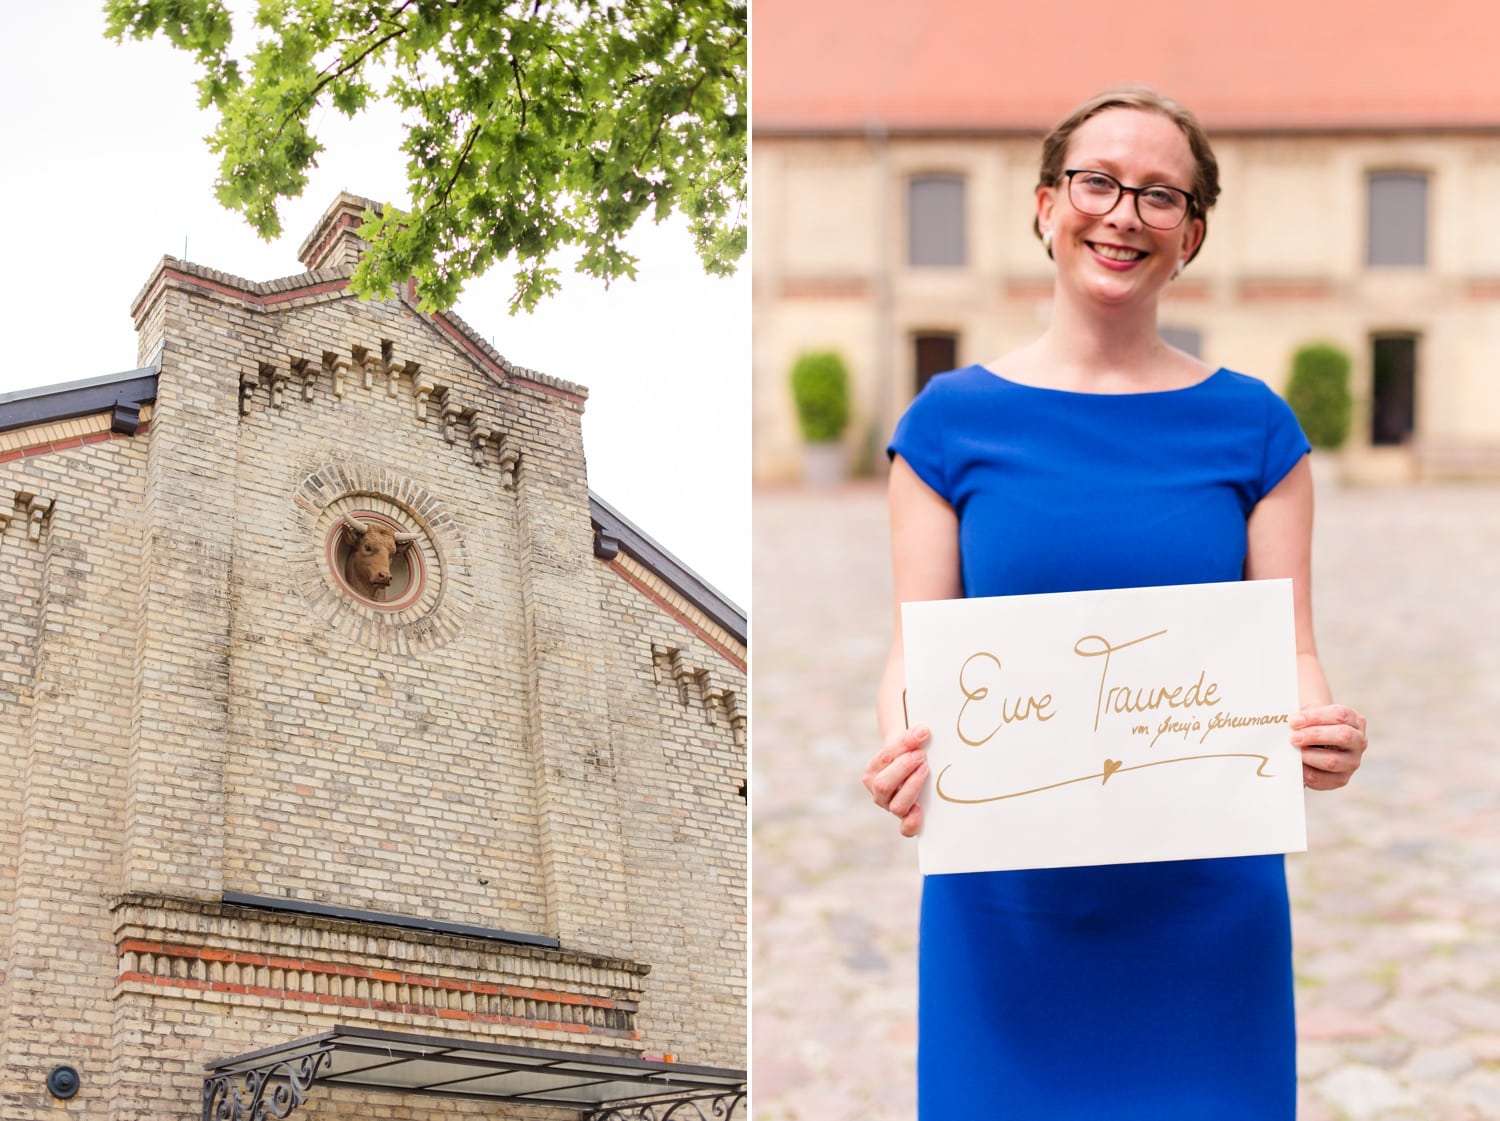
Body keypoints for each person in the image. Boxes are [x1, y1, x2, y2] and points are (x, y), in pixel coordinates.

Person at [862, 86, 1369, 1119]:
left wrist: (1322, 728)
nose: (1124, 212)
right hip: (1008, 903)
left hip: (1205, 901)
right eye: (1098, 181)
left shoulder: (1256, 429)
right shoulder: (948, 424)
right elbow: (916, 650)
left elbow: (1291, 650)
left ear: (1192, 234)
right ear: (1047, 205)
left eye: (1161, 195)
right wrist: (903, 742)